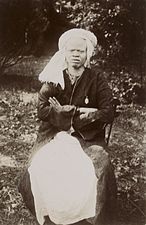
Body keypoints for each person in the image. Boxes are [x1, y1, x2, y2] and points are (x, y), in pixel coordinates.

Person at [19, 28, 117, 225]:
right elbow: (42, 110)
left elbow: (108, 111)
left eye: (80, 51)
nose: (75, 55)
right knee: (39, 165)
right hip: (54, 135)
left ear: (87, 53)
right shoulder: (55, 77)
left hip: (86, 137)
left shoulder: (96, 78)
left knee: (100, 166)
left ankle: (90, 217)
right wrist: (78, 112)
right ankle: (49, 213)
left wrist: (70, 111)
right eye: (71, 50)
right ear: (64, 52)